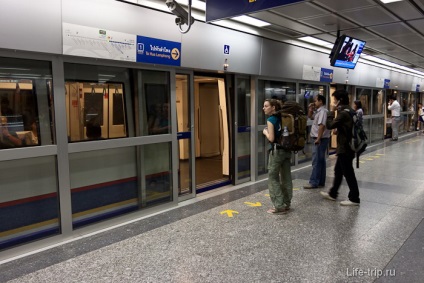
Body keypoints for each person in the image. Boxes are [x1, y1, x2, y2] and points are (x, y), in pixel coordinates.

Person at [320, 90, 360, 206]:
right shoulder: (351, 111)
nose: (333, 102)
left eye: (334, 100)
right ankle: (333, 193)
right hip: (349, 147)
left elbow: (329, 125)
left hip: (345, 148)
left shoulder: (343, 113)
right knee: (338, 171)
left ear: (339, 101)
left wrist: (331, 111)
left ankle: (354, 198)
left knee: (348, 173)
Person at [262, 98, 293, 214]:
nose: (263, 108)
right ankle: (287, 203)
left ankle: (278, 205)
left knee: (273, 177)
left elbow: (271, 138)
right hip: (286, 151)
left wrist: (265, 132)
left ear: (273, 107)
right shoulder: (284, 118)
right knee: (286, 177)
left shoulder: (271, 119)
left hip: (276, 152)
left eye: (266, 106)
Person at [303, 95, 331, 189]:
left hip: (320, 139)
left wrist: (318, 138)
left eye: (315, 101)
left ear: (321, 101)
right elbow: (310, 117)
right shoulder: (319, 111)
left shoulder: (322, 112)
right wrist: (310, 109)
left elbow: (321, 126)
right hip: (321, 138)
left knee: (316, 161)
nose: (314, 102)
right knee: (321, 160)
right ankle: (320, 181)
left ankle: (314, 182)